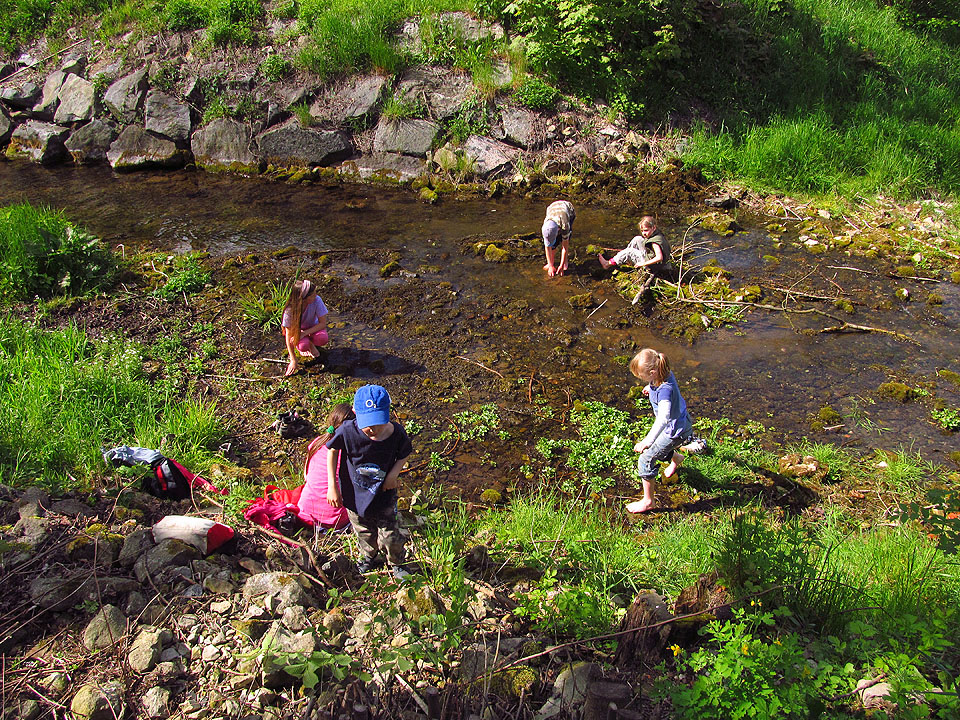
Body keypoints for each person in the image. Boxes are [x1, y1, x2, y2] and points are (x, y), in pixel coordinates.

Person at [326, 384, 413, 580]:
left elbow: (405, 453)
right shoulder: (347, 431)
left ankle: (397, 562)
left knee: (390, 533)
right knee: (363, 530)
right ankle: (369, 556)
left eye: (378, 422)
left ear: (387, 413)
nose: (373, 429)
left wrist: (393, 475)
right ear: (355, 413)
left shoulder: (396, 433)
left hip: (384, 495)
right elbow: (332, 450)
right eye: (367, 423)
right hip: (354, 495)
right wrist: (332, 486)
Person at [626, 348, 694, 514]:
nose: (641, 378)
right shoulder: (664, 373)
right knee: (660, 447)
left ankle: (648, 501)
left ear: (652, 372)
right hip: (680, 422)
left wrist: (647, 441)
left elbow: (663, 418)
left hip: (674, 430)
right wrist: (650, 387)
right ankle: (676, 458)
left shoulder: (664, 391)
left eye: (642, 376)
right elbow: (661, 387)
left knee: (646, 458)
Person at [298, 404, 353, 529]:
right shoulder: (349, 453)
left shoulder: (317, 442)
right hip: (334, 522)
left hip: (304, 513)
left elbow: (306, 476)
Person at [598, 216, 672, 292]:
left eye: (646, 230)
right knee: (638, 239)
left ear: (654, 227)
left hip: (652, 266)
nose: (644, 233)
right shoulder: (658, 234)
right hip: (653, 258)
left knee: (629, 252)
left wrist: (642, 264)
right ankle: (626, 259)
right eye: (642, 231)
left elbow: (659, 258)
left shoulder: (654, 243)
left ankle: (607, 264)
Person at [281, 279, 329, 377]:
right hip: (297, 331)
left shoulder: (317, 300)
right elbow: (288, 336)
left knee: (322, 339)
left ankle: (311, 341)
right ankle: (309, 344)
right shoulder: (289, 310)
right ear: (303, 298)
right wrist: (293, 360)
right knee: (303, 346)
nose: (316, 296)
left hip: (313, 327)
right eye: (312, 295)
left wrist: (305, 333)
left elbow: (322, 324)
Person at [541, 200, 575, 277]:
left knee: (563, 239)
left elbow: (564, 247)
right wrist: (550, 265)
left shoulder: (564, 226)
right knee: (553, 244)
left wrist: (561, 265)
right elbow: (547, 246)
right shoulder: (545, 226)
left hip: (568, 210)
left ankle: (565, 261)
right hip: (552, 208)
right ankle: (551, 262)